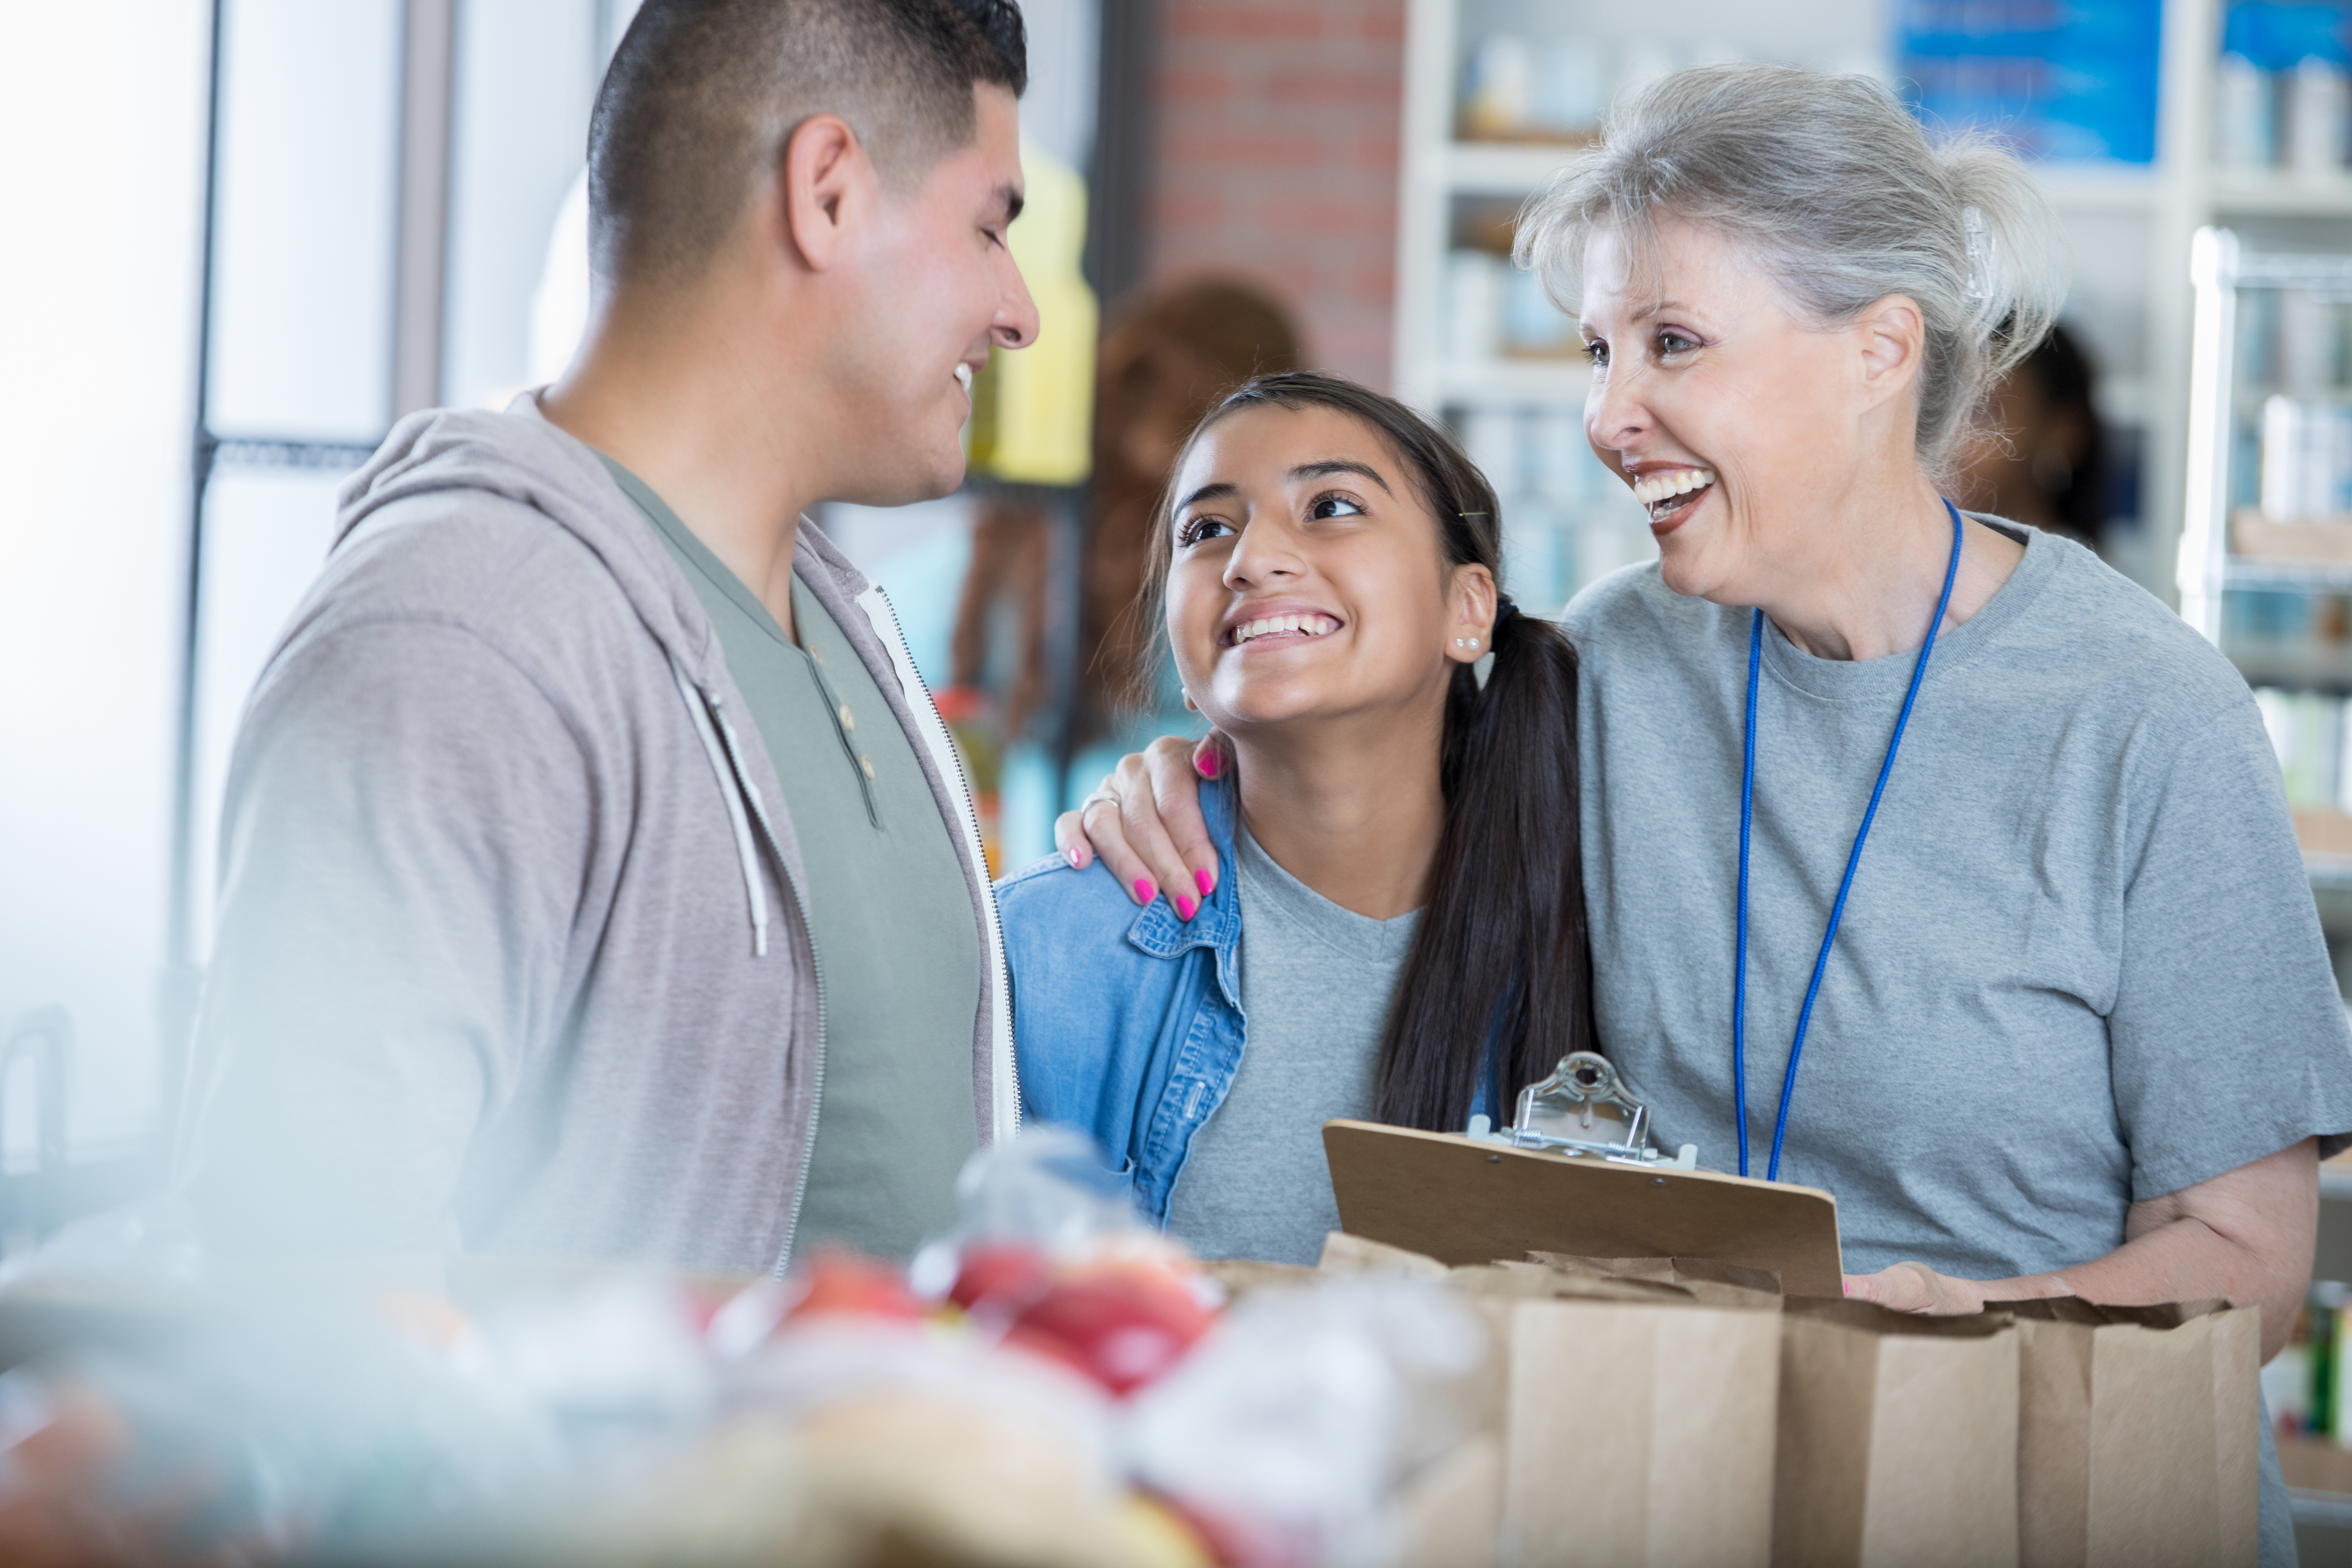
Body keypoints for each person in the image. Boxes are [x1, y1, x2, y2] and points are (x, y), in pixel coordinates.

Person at [1056, 65, 2352, 1559]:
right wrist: (1177, 784)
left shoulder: (2142, 717)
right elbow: (1342, 809)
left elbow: (2249, 1268)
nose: (1609, 414)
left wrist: (1972, 1316)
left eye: (1670, 343)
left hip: (2028, 1488)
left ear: (1876, 350)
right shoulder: (1609, 661)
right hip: (1708, 1484)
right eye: (1598, 349)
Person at [175, 0, 1038, 1277]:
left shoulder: (845, 626)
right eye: (987, 228)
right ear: (829, 194)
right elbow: (303, 1300)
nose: (1017, 309)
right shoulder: (461, 636)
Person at [996, 371, 1589, 1264]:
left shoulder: (1596, 942)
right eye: (1207, 530)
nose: (1249, 559)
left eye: (1332, 506)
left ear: (1468, 610)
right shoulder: (1046, 948)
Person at [1954, 319, 2106, 547]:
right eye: (1934, 413)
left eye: (1980, 412)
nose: (1946, 441)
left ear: (2062, 434)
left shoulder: (2086, 581)